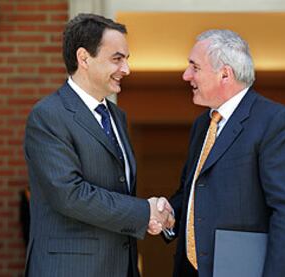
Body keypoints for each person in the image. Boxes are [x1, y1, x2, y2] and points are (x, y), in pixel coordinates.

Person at [23, 13, 173, 277]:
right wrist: (143, 212)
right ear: (84, 58)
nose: (126, 69)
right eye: (117, 59)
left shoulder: (117, 116)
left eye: (126, 59)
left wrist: (151, 215)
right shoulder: (48, 115)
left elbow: (118, 189)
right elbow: (69, 194)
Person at [167, 29, 285, 277]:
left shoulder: (275, 121)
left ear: (225, 74)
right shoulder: (203, 124)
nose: (186, 75)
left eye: (195, 67)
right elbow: (191, 193)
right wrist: (161, 213)